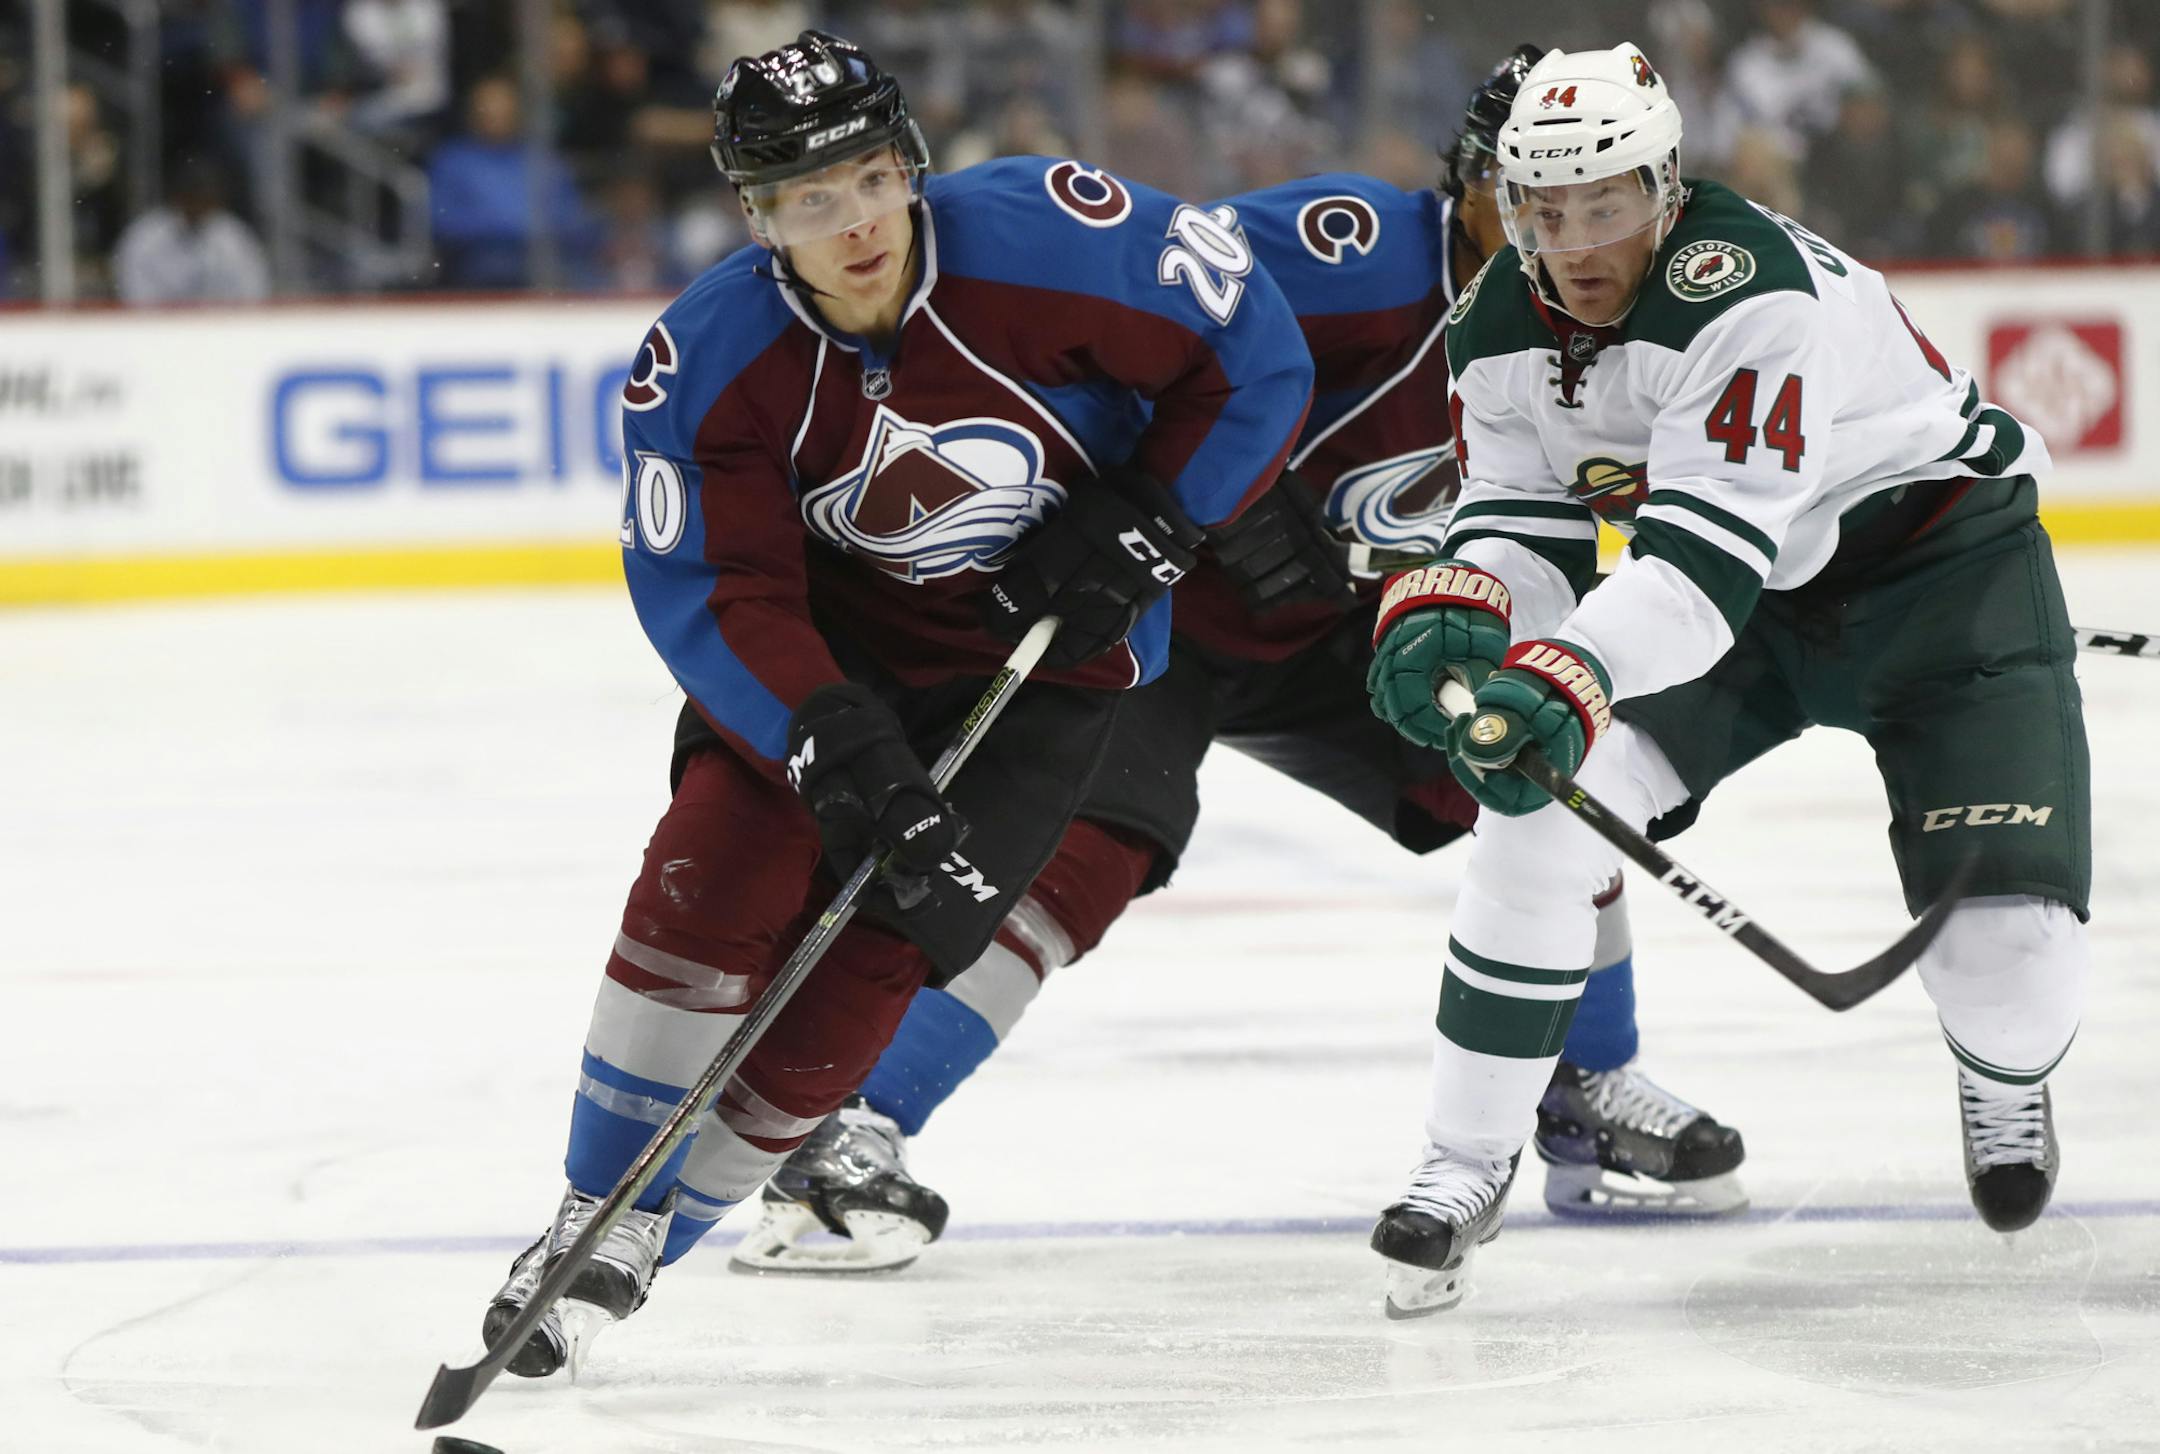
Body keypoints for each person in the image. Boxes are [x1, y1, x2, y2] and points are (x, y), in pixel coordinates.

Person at [733, 45, 1752, 1281]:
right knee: (1087, 852)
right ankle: (850, 1120)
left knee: (1538, 760)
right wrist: (1216, 494)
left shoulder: (1624, 324)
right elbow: (1166, 306)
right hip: (1157, 604)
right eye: (1522, 186)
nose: (1554, 224)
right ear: (1469, 180)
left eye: (1591, 194)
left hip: (1355, 624)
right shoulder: (1353, 249)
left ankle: (1585, 1079)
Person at [469, 30, 1312, 1378]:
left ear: (911, 162)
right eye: (810, 199)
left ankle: (655, 1233)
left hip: (1043, 673)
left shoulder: (1053, 236)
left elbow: (1255, 352)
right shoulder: (706, 362)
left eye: (869, 178)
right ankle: (588, 1206)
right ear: (758, 217)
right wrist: (817, 721)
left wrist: (1157, 514)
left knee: (880, 948)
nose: (854, 222)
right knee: (713, 871)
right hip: (834, 660)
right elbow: (716, 584)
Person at [1364, 42, 2087, 1317]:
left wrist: (1569, 666)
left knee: (2009, 969)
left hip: (1934, 570)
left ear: (1668, 185)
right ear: (1510, 208)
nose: (1578, 242)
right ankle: (1463, 1160)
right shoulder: (1491, 328)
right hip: (1742, 600)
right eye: (1546, 209)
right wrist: (1469, 625)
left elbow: (1696, 576)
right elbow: (1516, 530)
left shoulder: (1742, 285)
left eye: (1608, 204)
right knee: (1529, 800)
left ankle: (2006, 1071)